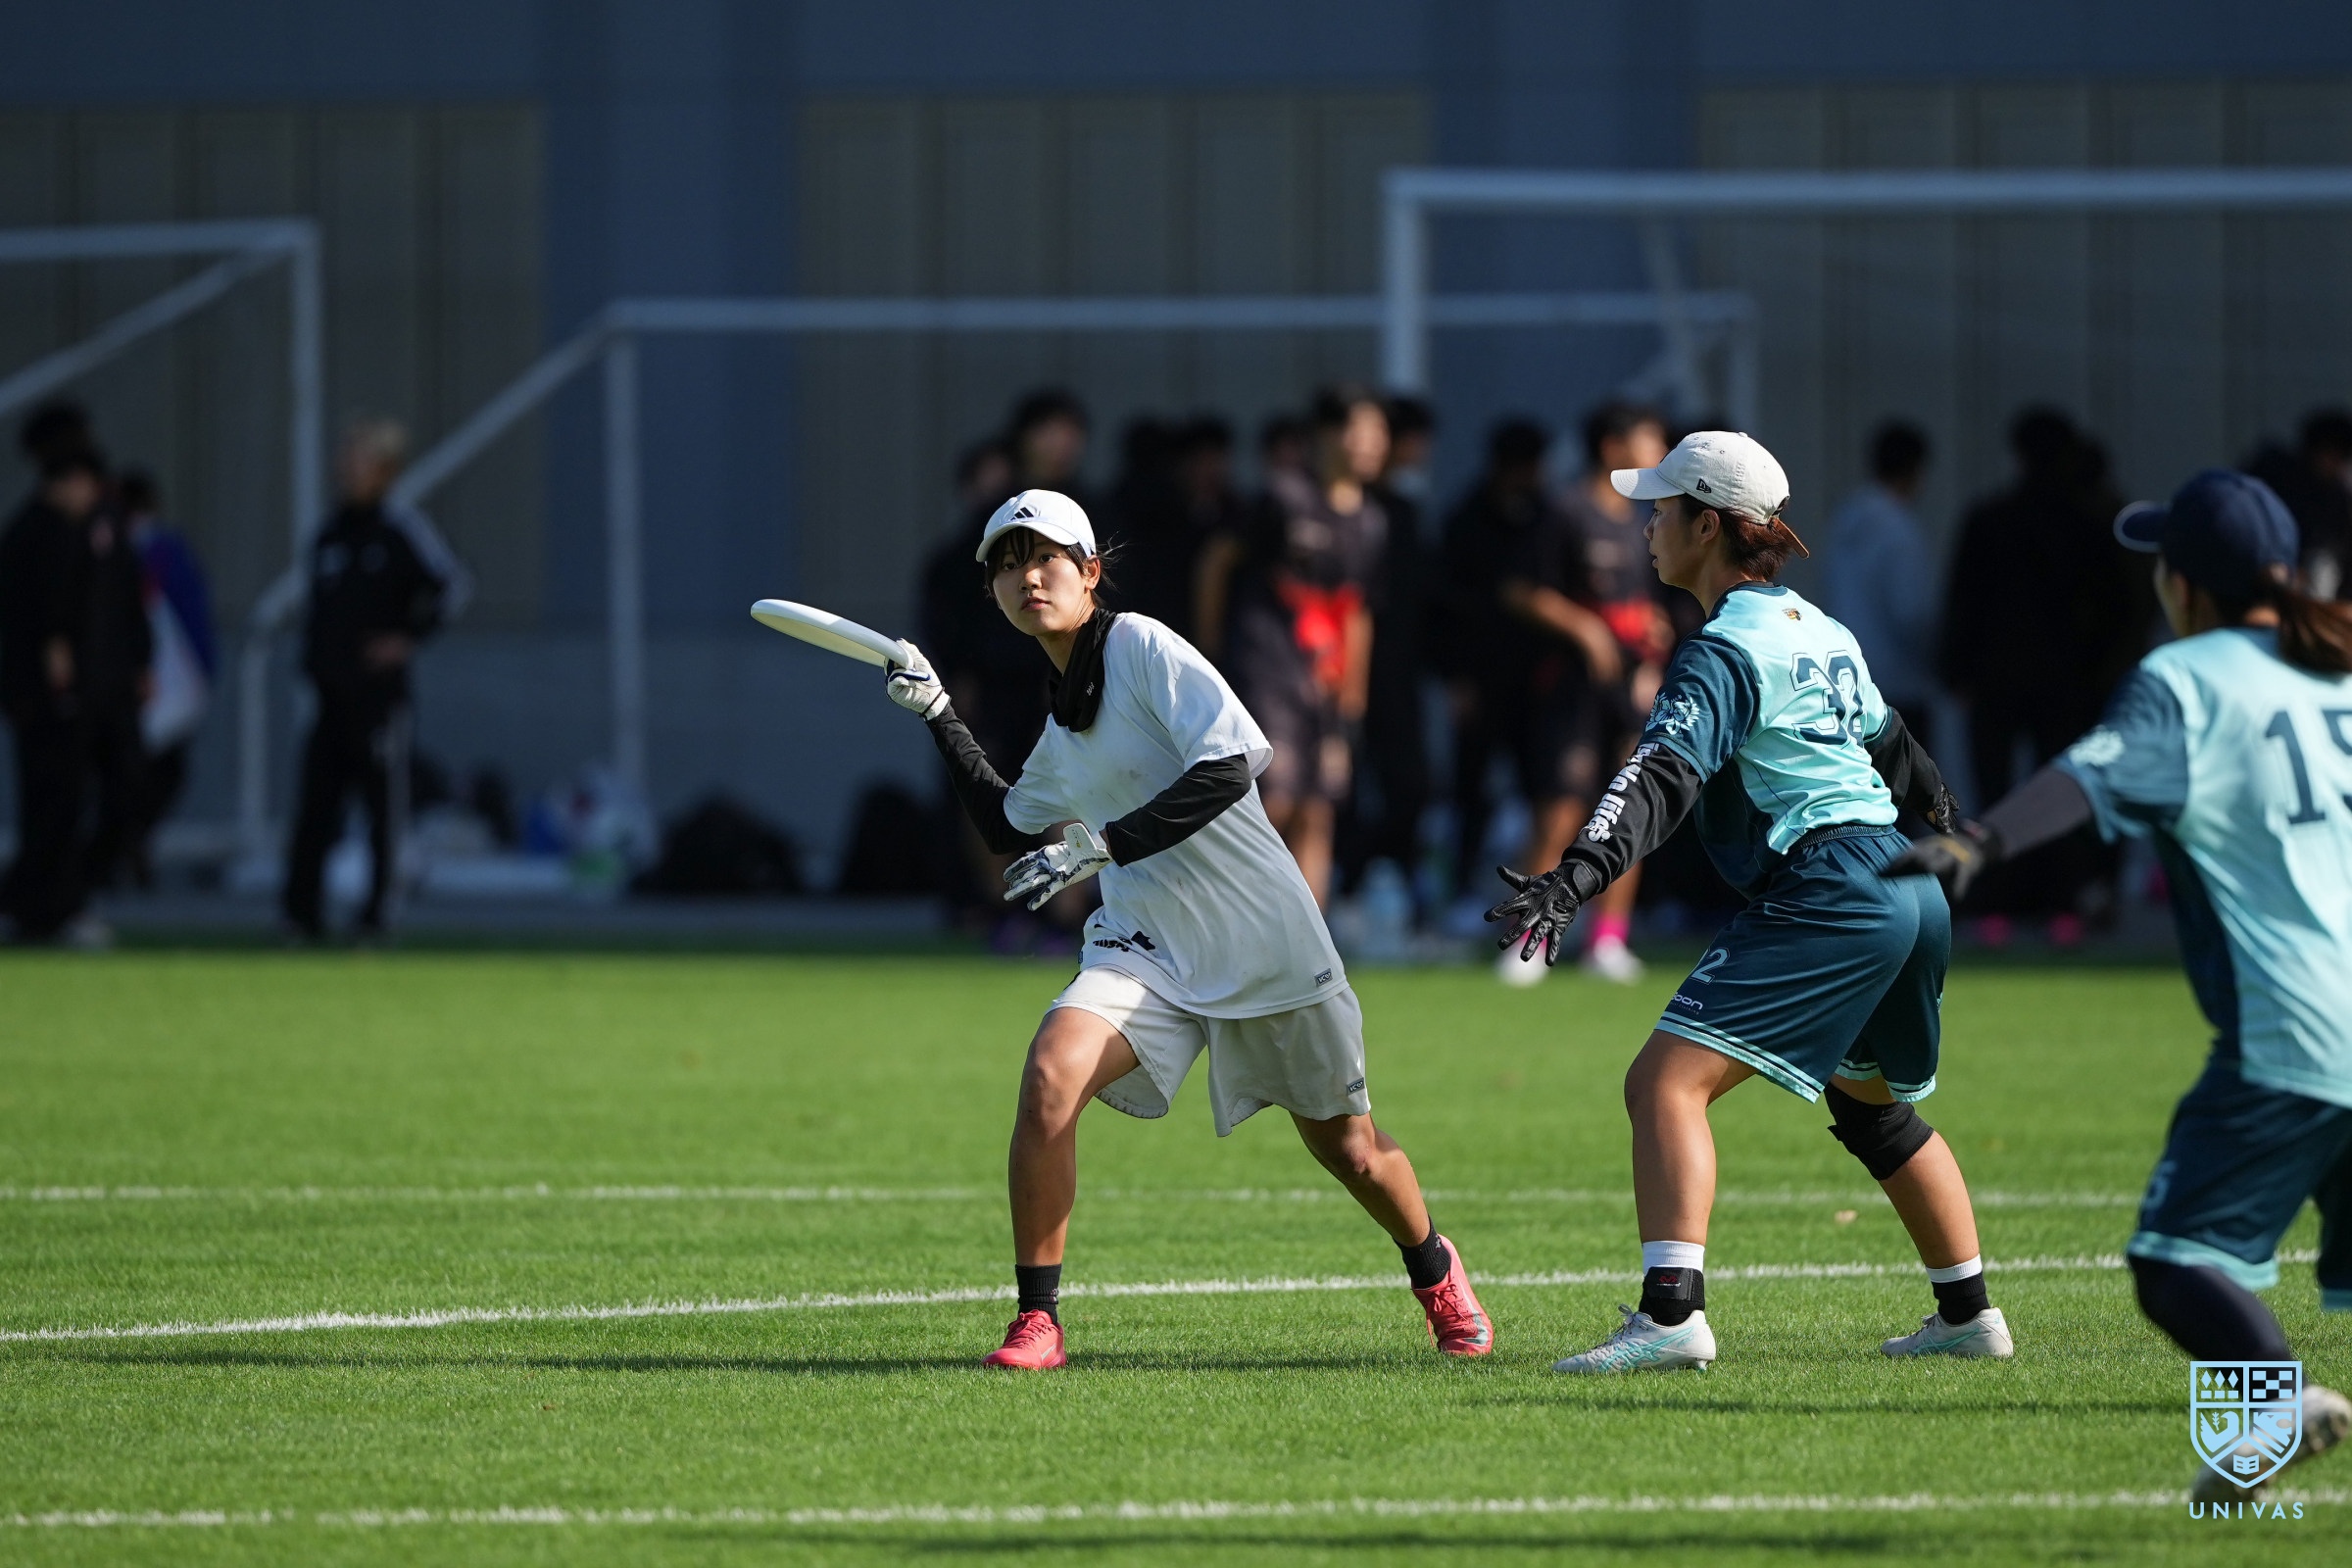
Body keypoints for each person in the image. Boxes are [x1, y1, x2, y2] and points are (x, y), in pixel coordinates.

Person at [880, 486, 1492, 1369]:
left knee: (1351, 1150)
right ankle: (1038, 1320)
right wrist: (940, 714)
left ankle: (1433, 1268)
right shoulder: (1062, 727)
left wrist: (1105, 844)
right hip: (1147, 949)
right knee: (1051, 1074)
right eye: (1008, 567)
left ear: (1091, 572)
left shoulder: (1142, 646)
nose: (1027, 578)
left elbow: (1231, 765)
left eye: (1045, 558)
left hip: (1266, 943)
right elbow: (1009, 823)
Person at [1490, 430, 2013, 1373]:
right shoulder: (1821, 628)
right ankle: (1969, 1315)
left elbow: (1660, 777)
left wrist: (1575, 876)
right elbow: (1895, 746)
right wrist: (1950, 819)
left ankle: (1670, 1317)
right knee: (1876, 1112)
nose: (1648, 526)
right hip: (1904, 881)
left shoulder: (1721, 650)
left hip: (1833, 885)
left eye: (1662, 508)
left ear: (1707, 526)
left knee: (1663, 1085)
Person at [1889, 469, 2351, 1500]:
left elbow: (2089, 774)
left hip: (2295, 1028)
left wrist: (1977, 841)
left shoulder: (2186, 679)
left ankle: (2273, 1409)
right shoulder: (2337, 668)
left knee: (2176, 1258)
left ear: (2183, 585)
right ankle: (2244, 1471)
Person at [1940, 409, 2136, 926]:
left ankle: (1997, 900)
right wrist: (2096, 669)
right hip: (2065, 683)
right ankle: (2062, 900)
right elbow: (2116, 607)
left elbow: (1963, 601)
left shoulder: (1990, 517)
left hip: (1996, 679)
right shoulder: (2086, 523)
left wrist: (1956, 671)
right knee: (2062, 792)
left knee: (1994, 792)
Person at [281, 419, 470, 941]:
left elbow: (453, 585)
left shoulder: (400, 530)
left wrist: (407, 637)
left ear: (386, 470)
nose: (346, 468)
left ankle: (376, 914)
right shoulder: (330, 532)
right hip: (328, 696)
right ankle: (300, 915)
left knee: (382, 809)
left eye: (360, 459)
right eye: (346, 457)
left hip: (378, 700)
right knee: (315, 808)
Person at [1520, 401, 1679, 984]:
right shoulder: (1565, 511)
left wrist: (1655, 643)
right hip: (1570, 689)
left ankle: (1608, 940)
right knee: (1562, 807)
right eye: (1649, 439)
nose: (1659, 450)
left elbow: (1653, 605)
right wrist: (1585, 629)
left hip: (1631, 689)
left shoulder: (1647, 520)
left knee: (1630, 807)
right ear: (1613, 447)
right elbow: (1523, 591)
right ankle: (1531, 934)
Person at [1217, 388, 1391, 906]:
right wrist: (1209, 645)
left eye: (1378, 433)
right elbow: (1217, 561)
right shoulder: (1283, 497)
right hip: (1267, 669)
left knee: (1320, 808)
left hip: (1325, 680)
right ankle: (1235, 917)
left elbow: (1357, 611)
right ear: (1327, 435)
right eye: (1359, 431)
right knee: (1275, 796)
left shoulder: (1373, 522)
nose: (1371, 444)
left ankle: (1308, 934)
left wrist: (1354, 693)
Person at [1, 431, 134, 946]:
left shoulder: (63, 529)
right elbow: (46, 615)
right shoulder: (42, 533)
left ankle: (36, 904)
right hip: (47, 697)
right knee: (55, 803)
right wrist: (59, 663)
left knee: (60, 802)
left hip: (54, 694)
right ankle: (49, 907)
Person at [118, 469, 216, 887]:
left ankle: (128, 842)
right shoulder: (146, 550)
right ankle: (124, 844)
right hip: (146, 679)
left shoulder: (155, 550)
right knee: (145, 771)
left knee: (150, 771)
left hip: (158, 679)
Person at [1822, 421, 1938, 733]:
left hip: (1846, 677)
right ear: (1915, 470)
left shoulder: (1846, 518)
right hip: (1899, 685)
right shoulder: (1900, 529)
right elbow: (1911, 613)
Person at [2242, 409, 2352, 601]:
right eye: (2333, 455)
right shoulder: (2275, 475)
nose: (2337, 465)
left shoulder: (2337, 496)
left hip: (2307, 586)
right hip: (2262, 572)